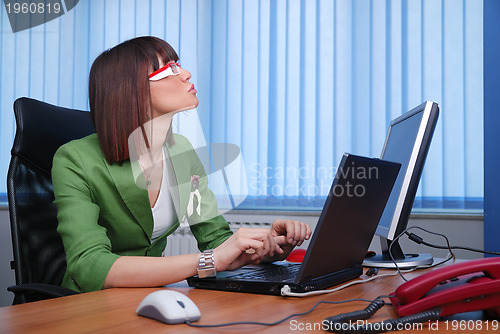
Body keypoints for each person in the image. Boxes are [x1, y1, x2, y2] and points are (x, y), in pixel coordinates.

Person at [52, 36, 311, 293]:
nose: (185, 74)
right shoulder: (74, 159)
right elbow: (88, 265)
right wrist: (208, 261)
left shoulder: (183, 151)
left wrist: (272, 247)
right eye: (168, 69)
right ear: (130, 89)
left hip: (150, 297)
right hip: (88, 305)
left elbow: (217, 241)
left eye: (179, 64)